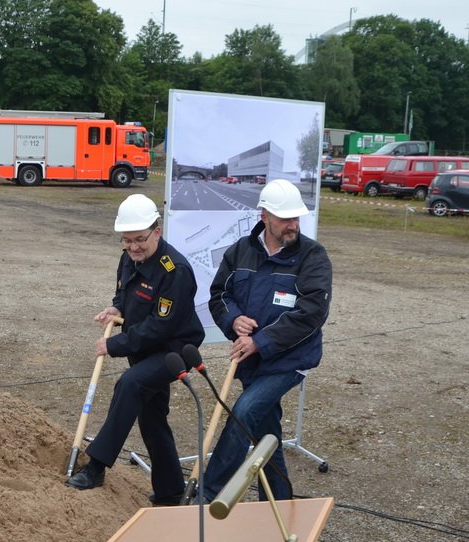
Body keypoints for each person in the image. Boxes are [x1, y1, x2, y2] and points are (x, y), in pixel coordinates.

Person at [66, 194, 205, 505]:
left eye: (140, 239)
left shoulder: (175, 271)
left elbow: (161, 326)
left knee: (129, 384)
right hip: (145, 348)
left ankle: (97, 467)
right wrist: (115, 310)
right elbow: (124, 295)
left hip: (174, 350)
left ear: (157, 231)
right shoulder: (129, 258)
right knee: (151, 417)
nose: (134, 247)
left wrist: (113, 345)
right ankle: (170, 491)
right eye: (127, 241)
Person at [201, 179, 332, 502]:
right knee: (265, 430)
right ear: (264, 216)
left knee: (245, 411)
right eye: (285, 218)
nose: (293, 225)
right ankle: (279, 501)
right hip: (251, 361)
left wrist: (261, 341)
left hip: (289, 359)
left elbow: (312, 312)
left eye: (296, 218)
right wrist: (233, 319)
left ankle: (208, 492)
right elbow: (219, 295)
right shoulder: (241, 252)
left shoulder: (312, 257)